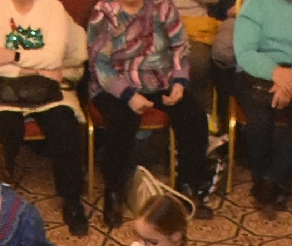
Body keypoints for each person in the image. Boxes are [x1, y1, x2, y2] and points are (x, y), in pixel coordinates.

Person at [0, 0, 90, 235]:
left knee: (65, 124)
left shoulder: (52, 7)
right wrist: (38, 69)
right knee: (4, 129)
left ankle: (72, 199)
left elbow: (55, 58)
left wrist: (12, 55)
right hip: (1, 87)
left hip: (48, 88)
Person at [86, 0, 208, 221]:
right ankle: (114, 191)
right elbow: (99, 63)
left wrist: (179, 82)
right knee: (122, 120)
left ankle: (187, 186)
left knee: (194, 115)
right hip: (114, 83)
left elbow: (180, 48)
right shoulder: (105, 11)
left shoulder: (163, 6)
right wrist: (129, 95)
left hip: (159, 80)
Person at [231, 0, 292, 215]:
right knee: (259, 120)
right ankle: (262, 178)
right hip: (256, 71)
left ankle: (272, 181)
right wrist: (275, 73)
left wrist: (291, 79)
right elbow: (245, 51)